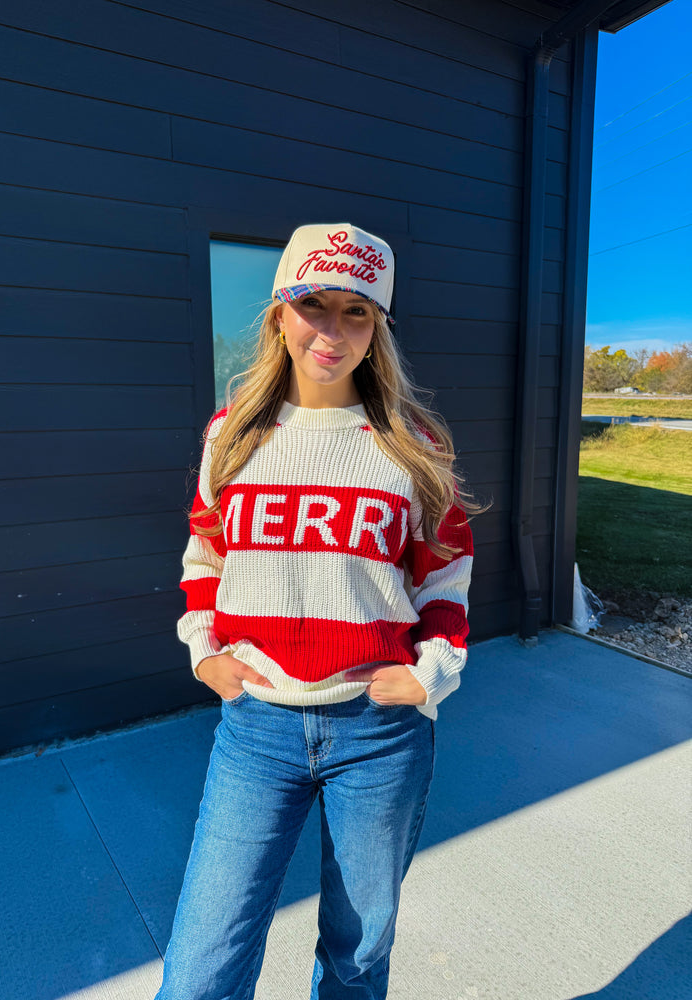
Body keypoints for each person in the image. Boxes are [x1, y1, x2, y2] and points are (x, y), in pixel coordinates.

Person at [155, 223, 475, 1000]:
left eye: (357, 312)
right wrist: (204, 651)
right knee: (203, 961)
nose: (332, 331)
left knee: (356, 958)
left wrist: (431, 671)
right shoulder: (231, 436)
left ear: (379, 329)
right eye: (314, 305)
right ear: (279, 315)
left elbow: (445, 577)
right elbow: (206, 557)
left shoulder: (415, 445)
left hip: (379, 735)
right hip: (257, 730)